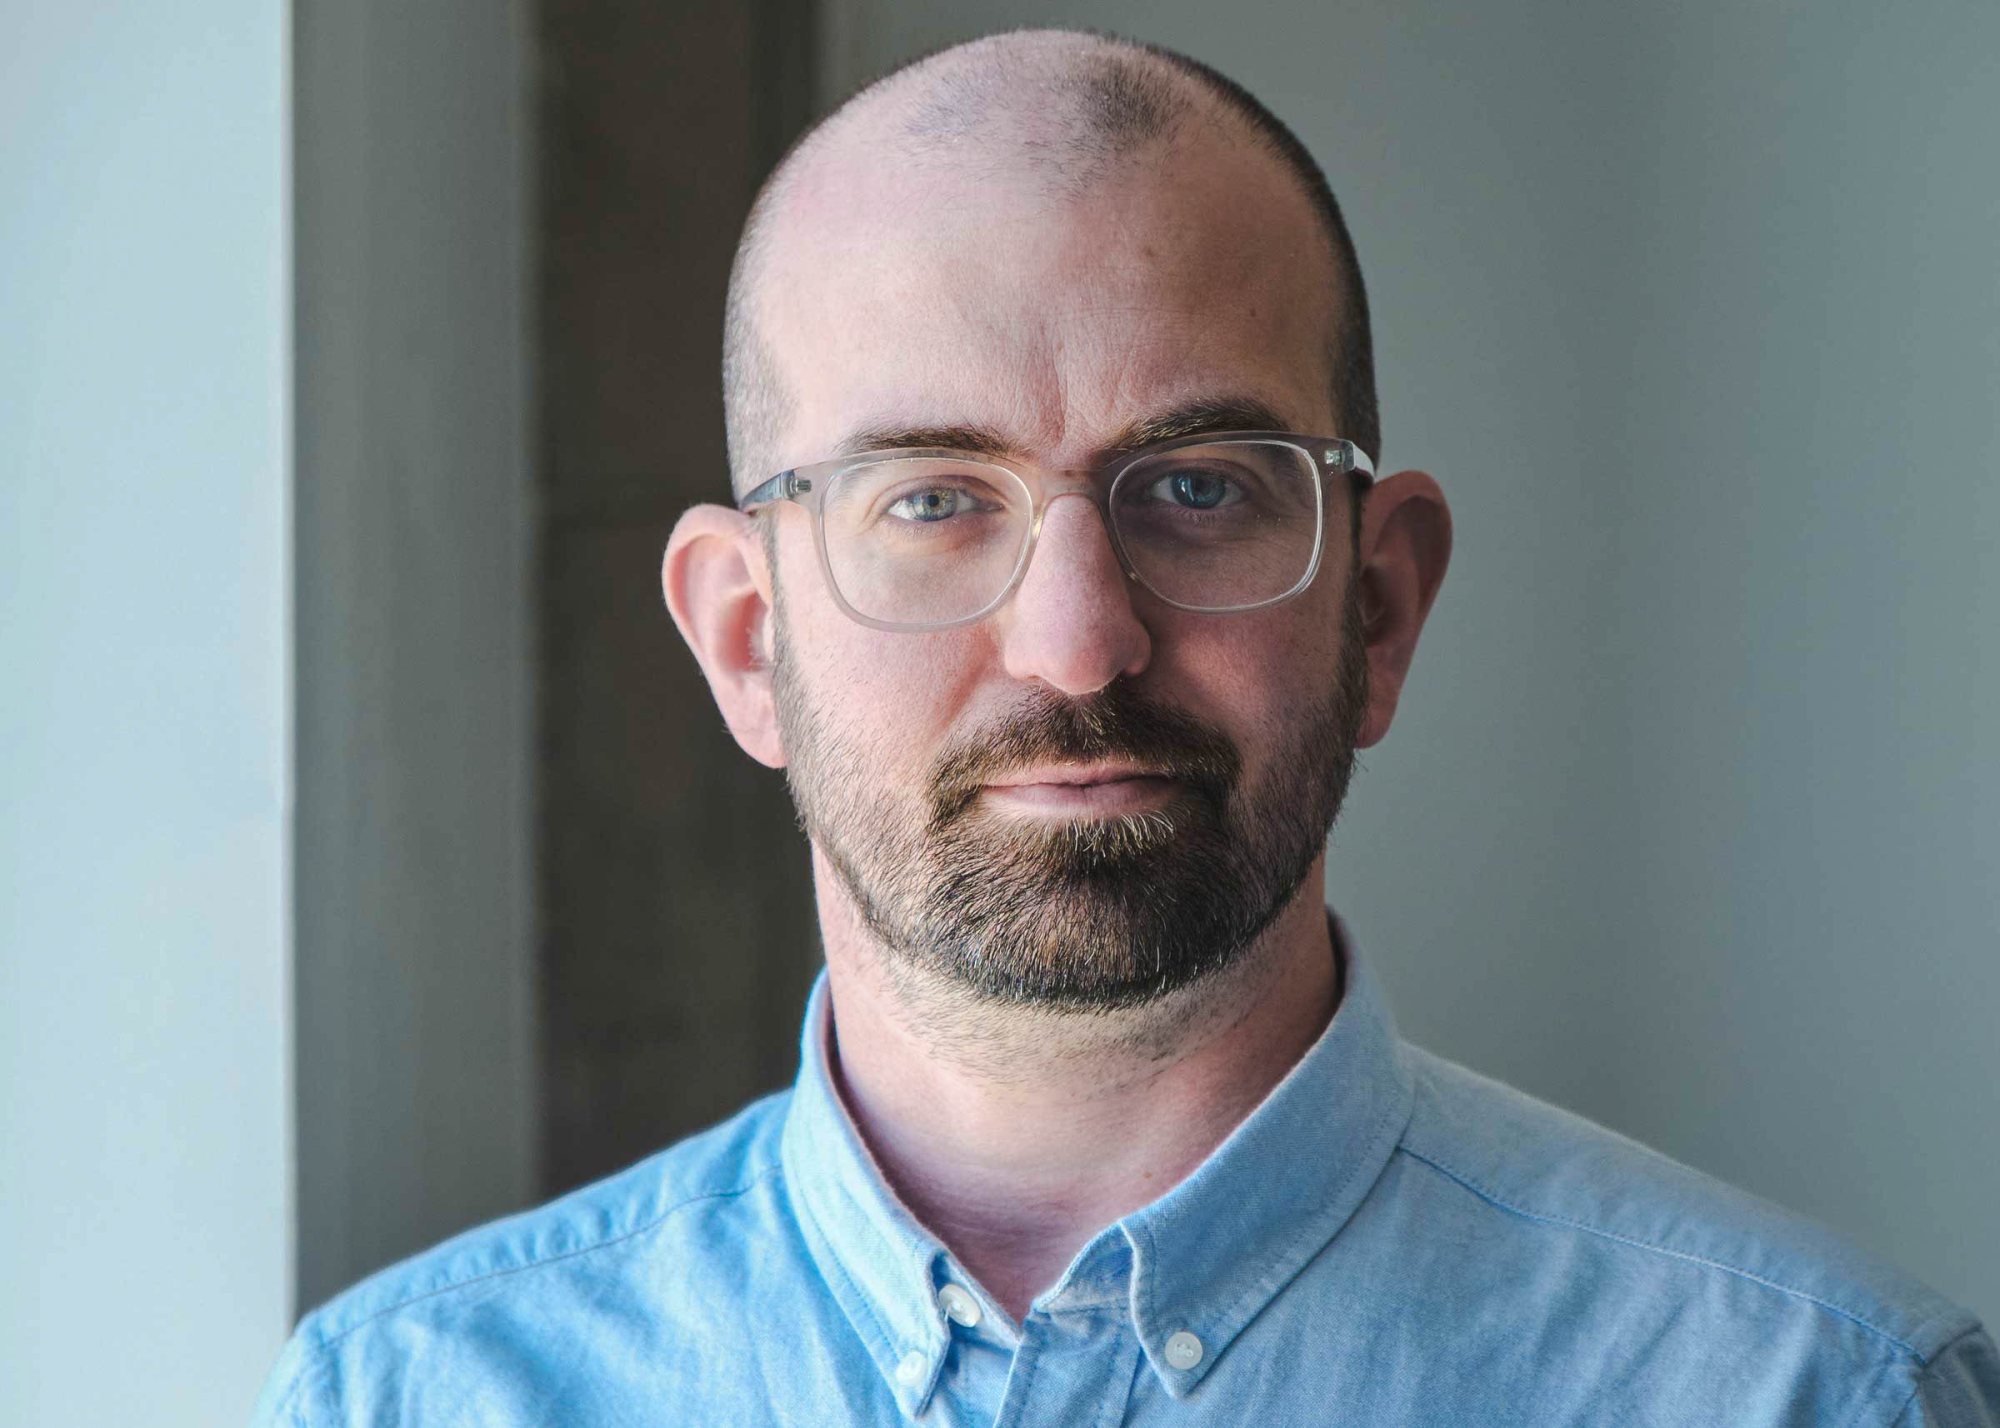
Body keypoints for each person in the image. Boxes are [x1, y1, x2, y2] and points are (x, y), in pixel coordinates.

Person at [253, 28, 1998, 1427]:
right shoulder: (410, 1399)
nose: (1080, 642)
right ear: (745, 639)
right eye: (934, 501)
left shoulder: (1814, 1396)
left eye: (1199, 487)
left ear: (1380, 606)